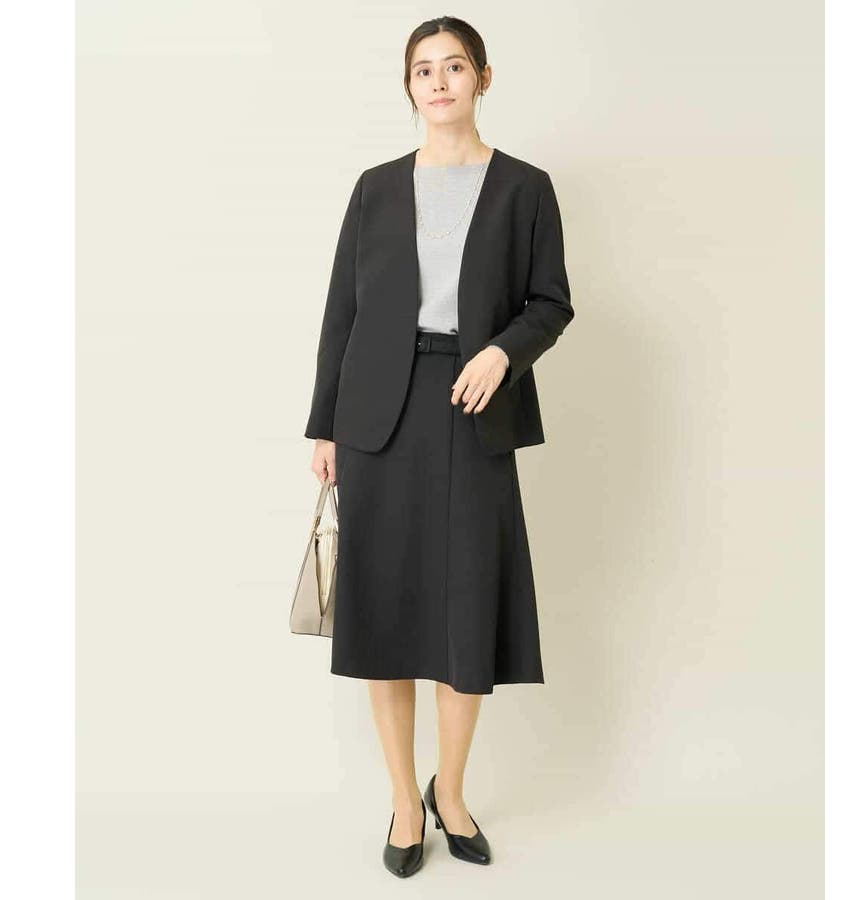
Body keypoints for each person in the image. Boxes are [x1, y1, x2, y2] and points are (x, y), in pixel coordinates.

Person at [303, 16, 574, 878]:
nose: (439, 81)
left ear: (482, 78)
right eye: (424, 70)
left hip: (474, 407)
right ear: (410, 87)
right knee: (383, 616)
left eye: (455, 66)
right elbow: (342, 312)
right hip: (376, 419)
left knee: (465, 612)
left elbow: (551, 301)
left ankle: (449, 791)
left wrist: (502, 353)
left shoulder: (525, 187)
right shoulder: (375, 188)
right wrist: (325, 425)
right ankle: (402, 801)